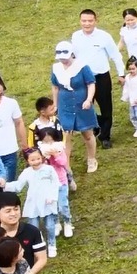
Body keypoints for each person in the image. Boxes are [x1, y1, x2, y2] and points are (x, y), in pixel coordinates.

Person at [71, 9, 125, 149]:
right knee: (85, 106)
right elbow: (73, 57)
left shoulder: (104, 36)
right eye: (84, 21)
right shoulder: (76, 36)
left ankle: (105, 136)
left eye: (90, 21)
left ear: (95, 21)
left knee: (106, 107)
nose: (87, 23)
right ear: (80, 21)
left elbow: (115, 55)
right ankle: (94, 126)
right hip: (83, 78)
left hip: (101, 77)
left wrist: (121, 73)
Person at [2, 147, 61, 258]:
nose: (36, 162)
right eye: (32, 160)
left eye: (38, 158)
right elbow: (19, 185)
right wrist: (6, 185)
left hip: (48, 202)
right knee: (34, 227)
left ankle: (52, 245)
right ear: (28, 161)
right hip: (33, 203)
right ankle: (39, 244)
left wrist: (52, 197)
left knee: (50, 226)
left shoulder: (49, 169)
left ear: (42, 157)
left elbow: (56, 184)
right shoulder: (27, 172)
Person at [50, 41, 99, 174]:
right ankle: (66, 166)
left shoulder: (82, 67)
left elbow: (91, 84)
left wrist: (89, 99)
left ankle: (91, 158)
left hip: (82, 103)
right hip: (65, 104)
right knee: (66, 136)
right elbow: (55, 86)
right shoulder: (56, 68)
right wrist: (55, 104)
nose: (64, 61)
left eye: (65, 58)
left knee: (87, 133)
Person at [0, 79, 27, 187]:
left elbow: (19, 122)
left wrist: (24, 144)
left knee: (7, 184)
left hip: (8, 151)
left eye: (0, 94)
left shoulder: (11, 103)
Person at [0, 192, 47, 274]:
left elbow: (42, 259)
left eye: (16, 209)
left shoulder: (32, 231)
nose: (13, 214)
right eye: (8, 211)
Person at [34, 127, 73, 239]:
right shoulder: (40, 154)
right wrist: (44, 158)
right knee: (52, 206)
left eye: (51, 141)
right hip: (47, 184)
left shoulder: (60, 150)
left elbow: (63, 163)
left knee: (63, 205)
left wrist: (55, 155)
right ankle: (56, 223)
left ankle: (67, 222)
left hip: (61, 182)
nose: (49, 144)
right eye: (46, 141)